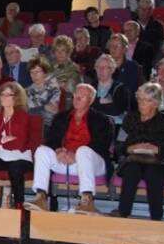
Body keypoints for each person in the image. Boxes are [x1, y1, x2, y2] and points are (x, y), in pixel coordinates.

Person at [26, 84, 114, 214]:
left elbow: (101, 144)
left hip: (92, 164)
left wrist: (75, 153)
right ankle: (41, 197)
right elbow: (51, 140)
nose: (77, 98)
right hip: (66, 160)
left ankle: (87, 200)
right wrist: (58, 150)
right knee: (42, 150)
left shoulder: (101, 119)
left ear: (90, 100)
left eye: (82, 96)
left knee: (83, 151)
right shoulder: (61, 117)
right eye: (76, 95)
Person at [112, 83, 164, 220]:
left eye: (147, 100)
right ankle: (123, 212)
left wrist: (157, 149)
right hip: (132, 159)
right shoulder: (130, 118)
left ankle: (156, 216)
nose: (141, 104)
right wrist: (129, 148)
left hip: (158, 161)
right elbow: (118, 145)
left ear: (156, 103)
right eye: (140, 99)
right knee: (132, 170)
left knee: (153, 172)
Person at [91, 54, 130, 130]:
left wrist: (94, 102)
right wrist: (100, 101)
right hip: (92, 124)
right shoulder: (91, 85)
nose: (101, 70)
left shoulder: (120, 88)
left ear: (112, 70)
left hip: (113, 127)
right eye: (98, 67)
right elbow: (85, 105)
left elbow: (116, 110)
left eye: (104, 67)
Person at [26, 56, 61, 131]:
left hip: (48, 127)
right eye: (32, 72)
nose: (34, 75)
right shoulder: (26, 91)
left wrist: (32, 110)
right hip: (30, 125)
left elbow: (52, 113)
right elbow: (25, 112)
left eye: (37, 72)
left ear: (45, 72)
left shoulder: (54, 89)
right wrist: (44, 107)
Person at [49, 35, 82, 108]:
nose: (59, 53)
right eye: (57, 50)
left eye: (63, 50)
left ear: (68, 52)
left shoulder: (74, 68)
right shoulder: (49, 66)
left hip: (66, 100)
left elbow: (71, 88)